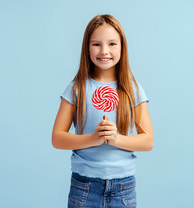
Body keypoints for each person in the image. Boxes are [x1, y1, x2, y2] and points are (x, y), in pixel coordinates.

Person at [52, 14, 153, 208]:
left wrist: (116, 139)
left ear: (122, 47)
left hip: (123, 186)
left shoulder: (133, 89)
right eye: (96, 44)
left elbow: (148, 140)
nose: (104, 51)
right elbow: (57, 138)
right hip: (84, 185)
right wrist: (93, 138)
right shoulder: (77, 88)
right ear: (86, 47)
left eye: (112, 44)